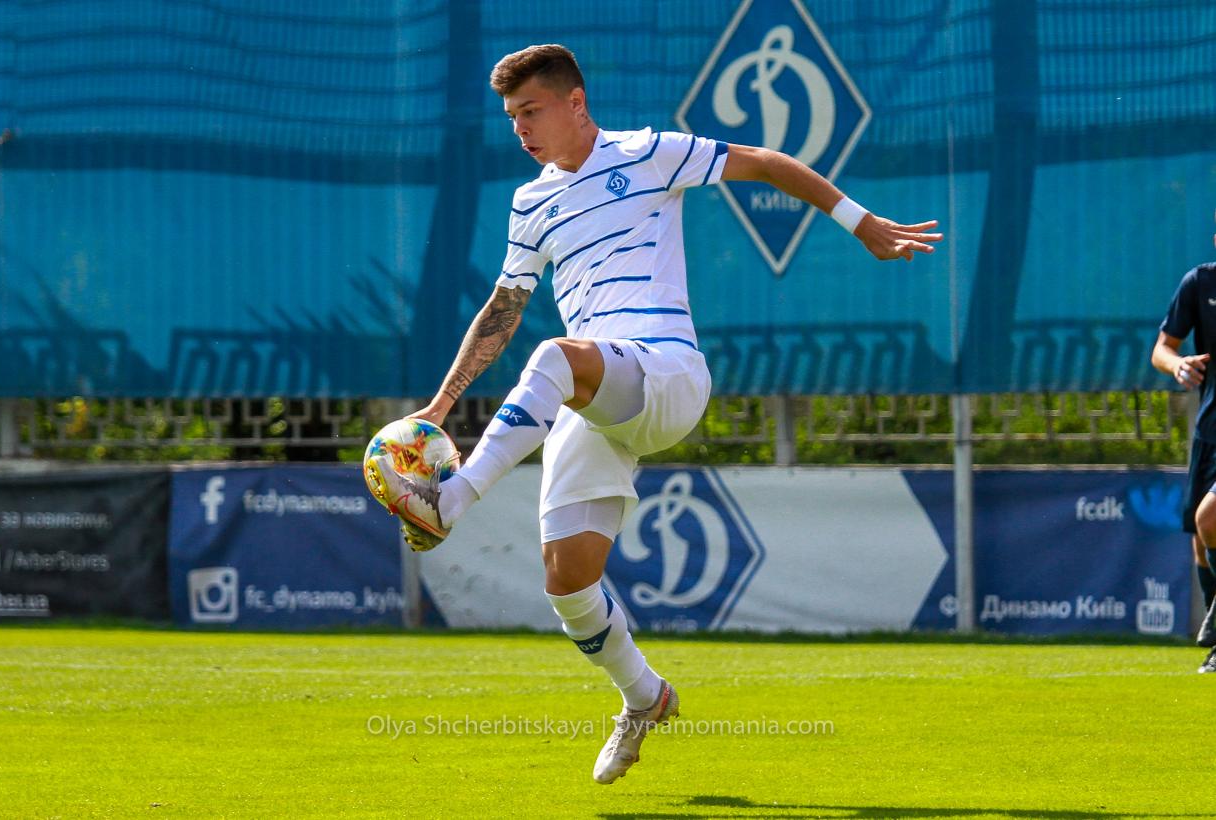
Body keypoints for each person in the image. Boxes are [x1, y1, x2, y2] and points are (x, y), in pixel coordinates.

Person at [370, 44, 942, 782]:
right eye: (511, 117)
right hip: (598, 393)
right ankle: (644, 697)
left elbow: (766, 162)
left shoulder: (648, 152)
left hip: (667, 372)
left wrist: (861, 223)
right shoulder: (530, 202)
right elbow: (503, 307)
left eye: (531, 111)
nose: (520, 129)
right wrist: (441, 406)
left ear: (576, 102)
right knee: (568, 584)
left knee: (554, 357)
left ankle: (450, 502)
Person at [1152, 208, 1216, 673]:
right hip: (1210, 429)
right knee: (1200, 540)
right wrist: (1177, 364)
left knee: (1208, 519)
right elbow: (1161, 348)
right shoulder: (1199, 283)